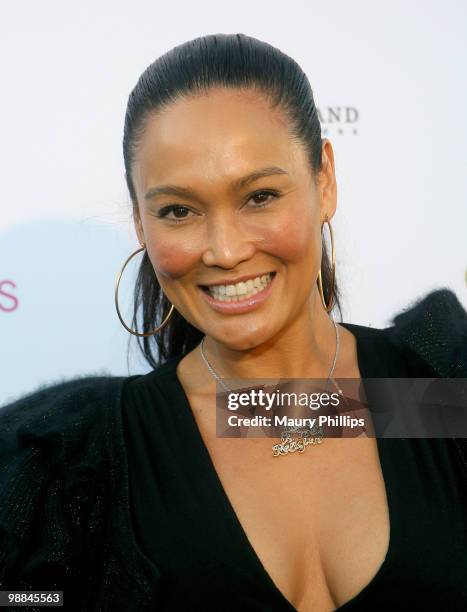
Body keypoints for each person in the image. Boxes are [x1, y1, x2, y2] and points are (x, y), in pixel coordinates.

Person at [1, 33, 466, 612]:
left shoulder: (432, 391)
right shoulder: (76, 462)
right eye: (178, 210)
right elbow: (23, 597)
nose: (223, 250)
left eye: (260, 196)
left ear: (324, 180)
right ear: (141, 223)